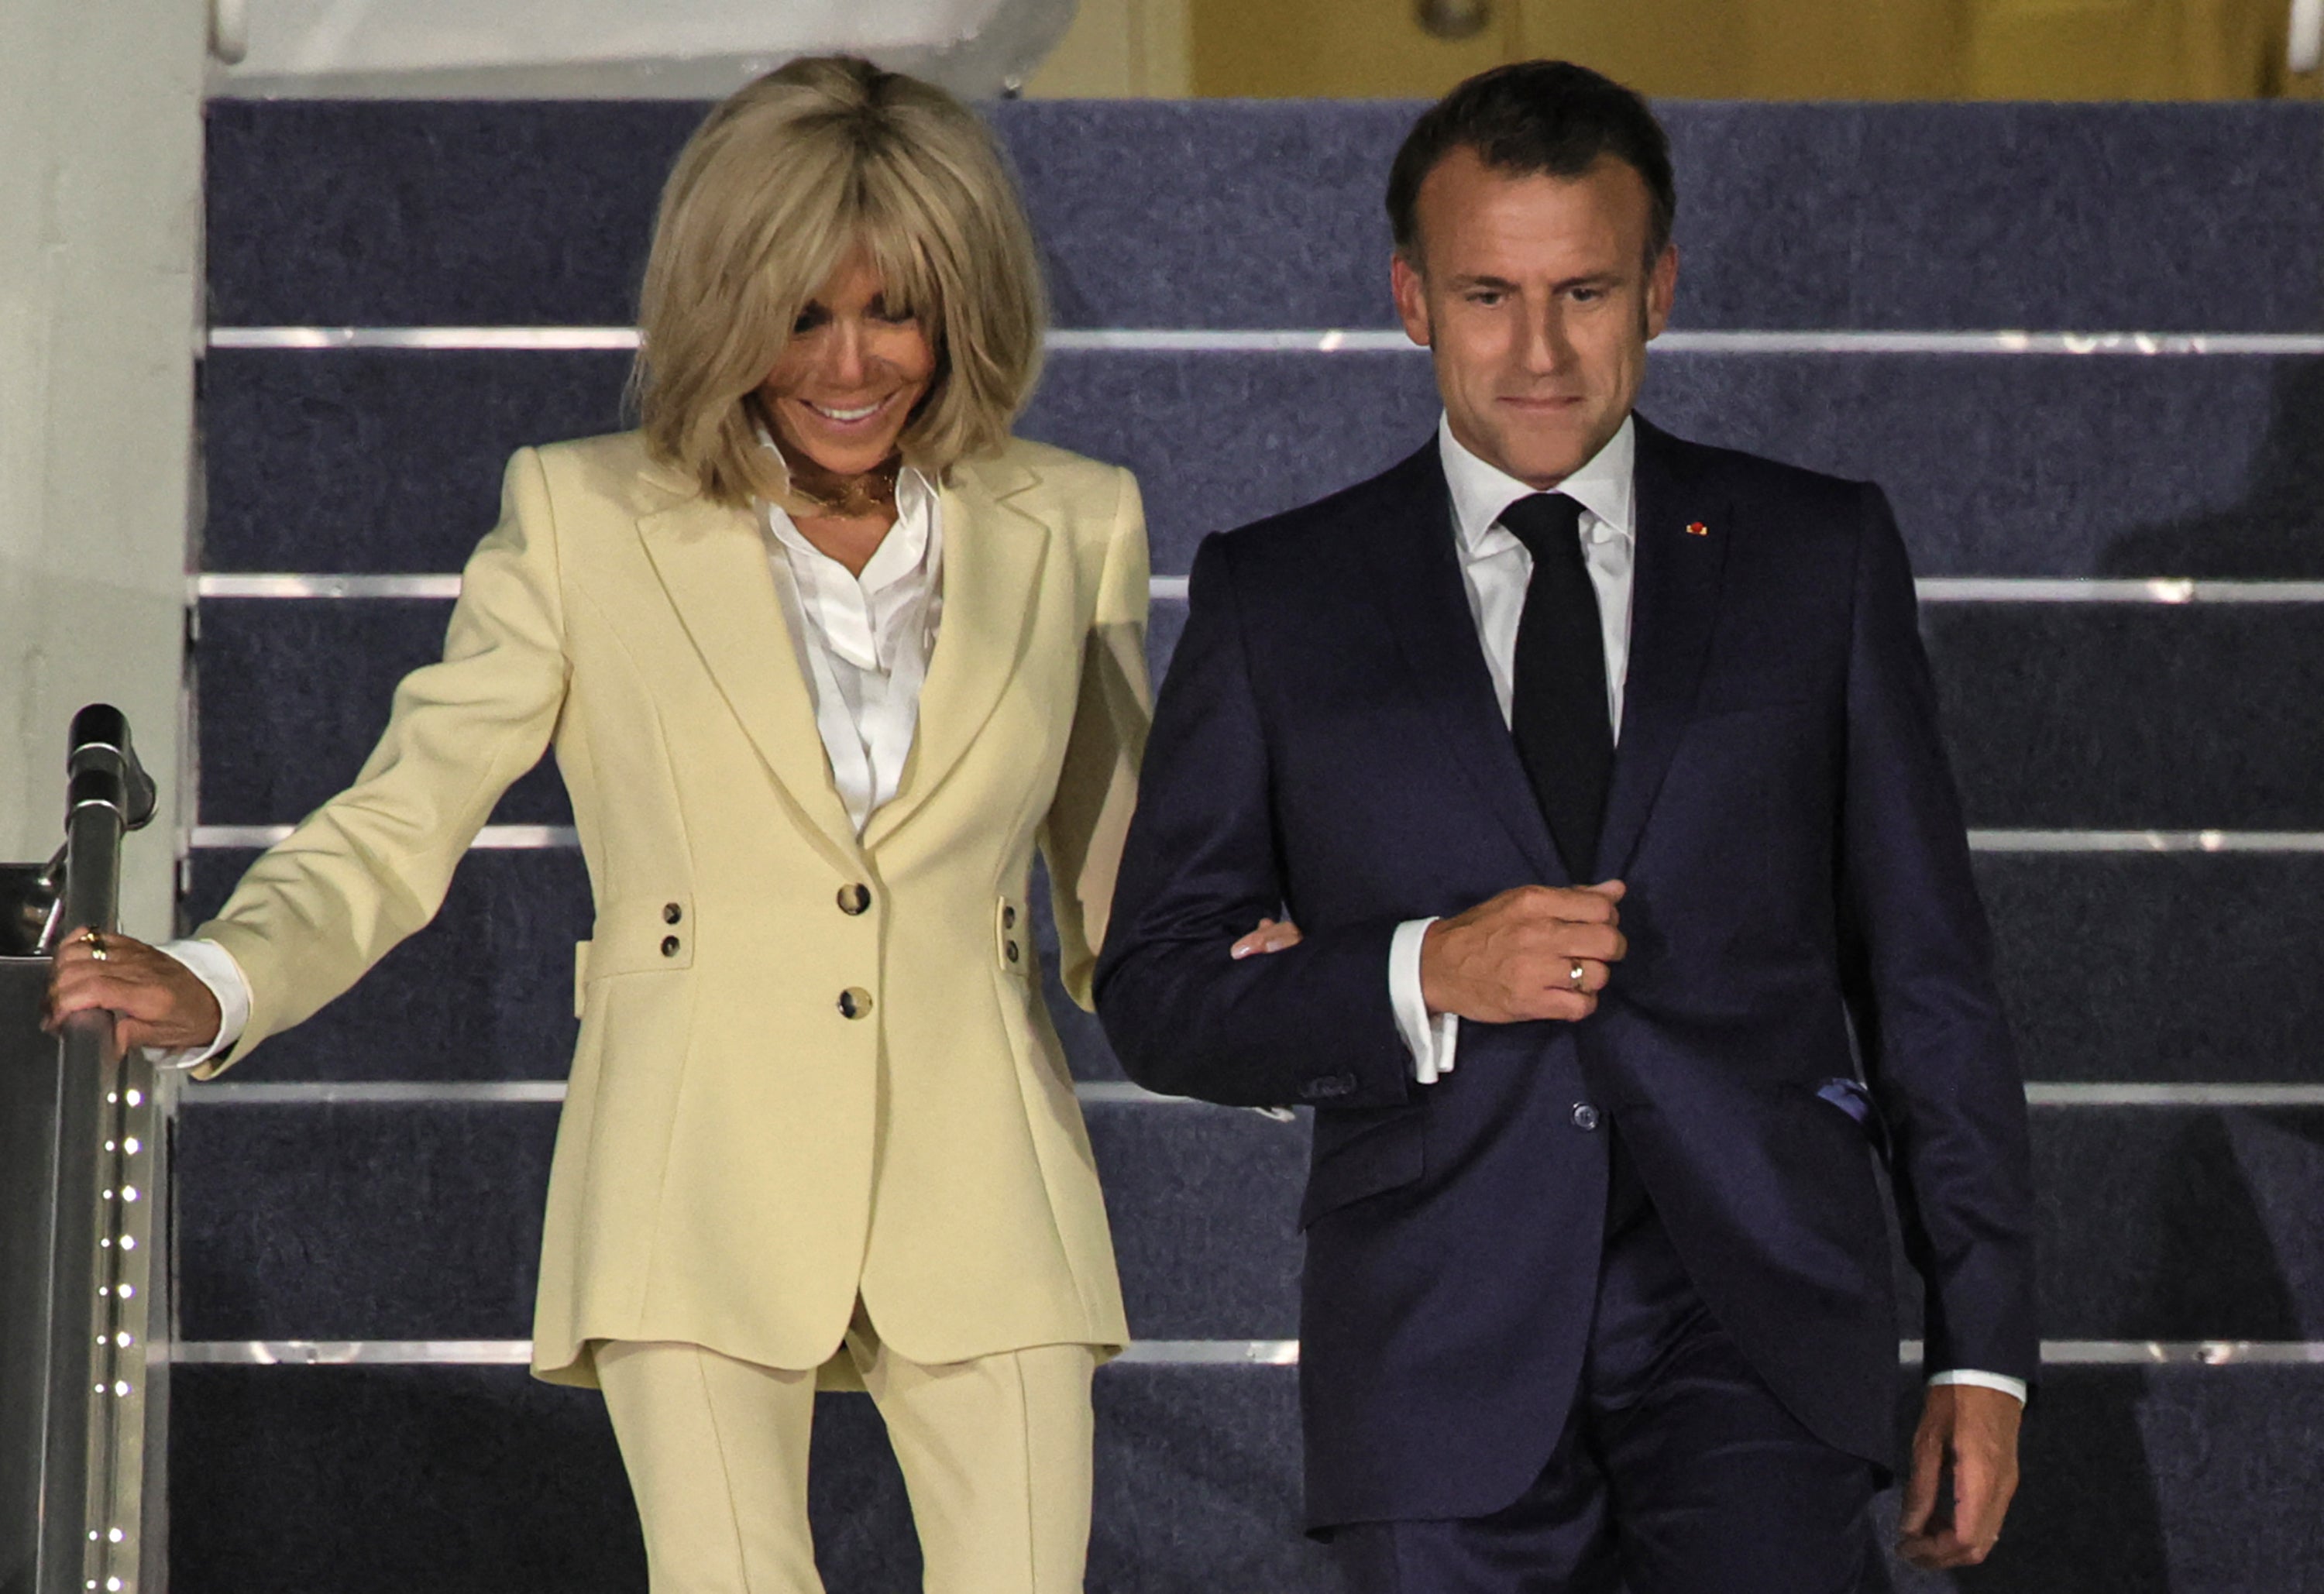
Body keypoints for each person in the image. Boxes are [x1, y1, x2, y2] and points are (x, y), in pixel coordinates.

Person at [48, 56, 1151, 1594]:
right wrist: (220, 976)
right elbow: (401, 819)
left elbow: (1129, 886)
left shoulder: (1071, 519)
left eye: (893, 309)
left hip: (990, 1187)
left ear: (962, 307)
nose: (849, 360)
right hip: (688, 1178)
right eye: (798, 310)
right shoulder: (582, 519)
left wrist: (1327, 1003)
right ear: (722, 302)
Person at [1095, 60, 2037, 1592]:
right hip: (1432, 1339)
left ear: (1659, 287)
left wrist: (1986, 1353)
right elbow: (1158, 995)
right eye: (1487, 294)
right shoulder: (1282, 595)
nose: (1538, 351)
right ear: (1411, 298)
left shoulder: (1818, 556)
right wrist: (1419, 974)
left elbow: (1930, 982)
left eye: (1584, 290)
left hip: (1761, 1320)